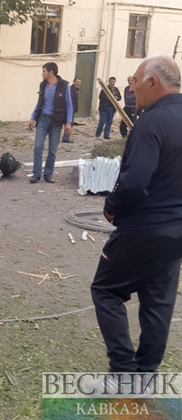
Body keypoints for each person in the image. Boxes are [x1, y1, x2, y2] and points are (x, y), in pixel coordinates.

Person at [91, 55, 182, 374]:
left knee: (105, 290)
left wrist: (111, 207)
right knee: (159, 301)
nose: (131, 88)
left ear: (153, 83)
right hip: (177, 231)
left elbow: (134, 180)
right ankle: (146, 371)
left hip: (145, 227)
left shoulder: (151, 122)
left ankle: (124, 368)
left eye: (135, 81)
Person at [27, 62, 73, 183]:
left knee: (52, 149)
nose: (42, 74)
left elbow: (69, 105)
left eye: (44, 71)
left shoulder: (64, 85)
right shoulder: (43, 85)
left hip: (56, 121)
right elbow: (39, 102)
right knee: (38, 146)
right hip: (42, 119)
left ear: (51, 72)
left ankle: (48, 174)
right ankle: (36, 174)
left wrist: (69, 122)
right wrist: (32, 117)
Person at [61, 78, 80, 143]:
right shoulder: (71, 89)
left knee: (70, 124)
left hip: (72, 109)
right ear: (74, 82)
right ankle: (66, 138)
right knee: (68, 123)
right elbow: (70, 101)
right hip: (69, 110)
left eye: (79, 82)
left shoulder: (76, 90)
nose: (78, 84)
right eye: (77, 82)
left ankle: (66, 137)